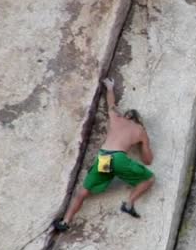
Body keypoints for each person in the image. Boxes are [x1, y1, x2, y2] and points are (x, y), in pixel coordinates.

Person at [53, 78, 155, 232]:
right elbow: (148, 160)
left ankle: (65, 222)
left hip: (105, 158)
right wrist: (144, 143)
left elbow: (111, 104)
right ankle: (129, 204)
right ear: (138, 120)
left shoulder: (116, 118)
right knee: (150, 178)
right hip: (119, 158)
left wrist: (110, 87)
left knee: (83, 192)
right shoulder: (140, 130)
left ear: (126, 115)